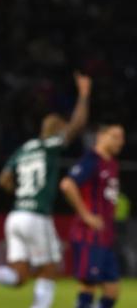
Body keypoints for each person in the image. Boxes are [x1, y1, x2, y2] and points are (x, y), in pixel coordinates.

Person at [0, 73, 92, 308]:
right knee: (49, 268)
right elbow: (78, 125)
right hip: (36, 217)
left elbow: (2, 180)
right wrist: (83, 94)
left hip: (16, 216)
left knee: (20, 276)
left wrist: (23, 192)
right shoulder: (49, 146)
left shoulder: (23, 149)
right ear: (57, 131)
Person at [60, 123, 125, 308]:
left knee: (112, 289)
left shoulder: (112, 163)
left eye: (122, 137)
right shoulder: (91, 159)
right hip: (89, 235)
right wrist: (86, 215)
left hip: (105, 236)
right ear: (101, 136)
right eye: (115, 136)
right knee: (88, 286)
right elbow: (67, 184)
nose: (121, 142)